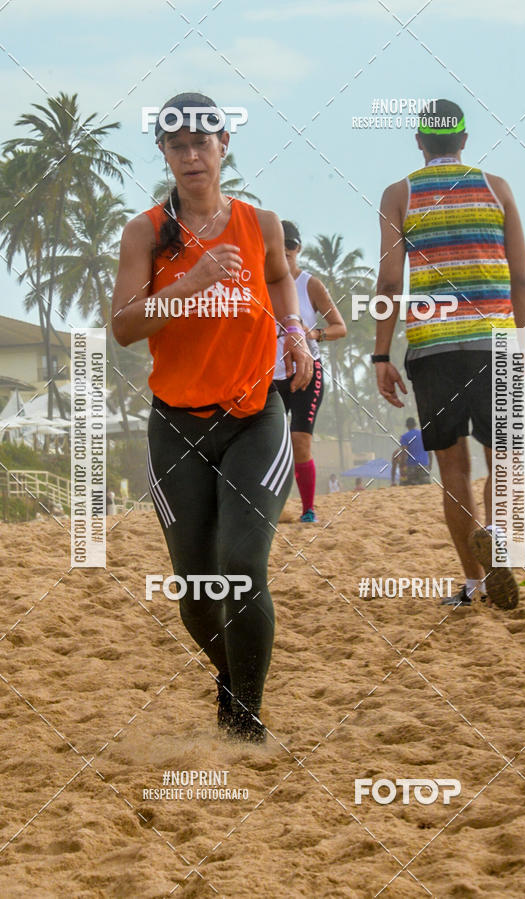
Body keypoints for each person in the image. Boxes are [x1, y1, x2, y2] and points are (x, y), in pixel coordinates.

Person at [111, 92, 313, 743]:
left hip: (255, 417)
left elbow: (279, 279)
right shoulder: (146, 232)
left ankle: (246, 717)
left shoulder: (261, 223)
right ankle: (230, 678)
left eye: (202, 142)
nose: (192, 156)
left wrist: (294, 332)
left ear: (224, 145)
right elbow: (124, 327)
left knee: (242, 566)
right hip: (176, 425)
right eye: (178, 146)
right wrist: (188, 283)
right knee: (197, 590)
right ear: (164, 152)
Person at [373, 99, 525, 610]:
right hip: (496, 341)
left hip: (433, 348)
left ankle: (474, 583)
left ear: (419, 142)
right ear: (464, 140)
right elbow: (522, 279)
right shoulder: (497, 188)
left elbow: (390, 283)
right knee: (503, 461)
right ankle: (500, 540)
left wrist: (381, 355)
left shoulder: (399, 194)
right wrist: (521, 342)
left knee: (453, 468)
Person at [272, 221, 346, 523]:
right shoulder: (259, 283)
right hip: (270, 376)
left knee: (300, 442)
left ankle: (308, 510)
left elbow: (339, 327)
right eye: (280, 245)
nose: (285, 251)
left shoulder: (309, 284)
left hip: (306, 372)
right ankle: (273, 509)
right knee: (271, 446)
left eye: (290, 245)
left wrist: (312, 334)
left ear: (298, 248)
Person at [398, 417, 431, 485]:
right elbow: (430, 451)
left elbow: (404, 452)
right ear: (415, 425)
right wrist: (430, 464)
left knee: (411, 487)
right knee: (425, 487)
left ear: (407, 426)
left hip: (411, 465)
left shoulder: (404, 437)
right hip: (424, 464)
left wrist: (402, 464)